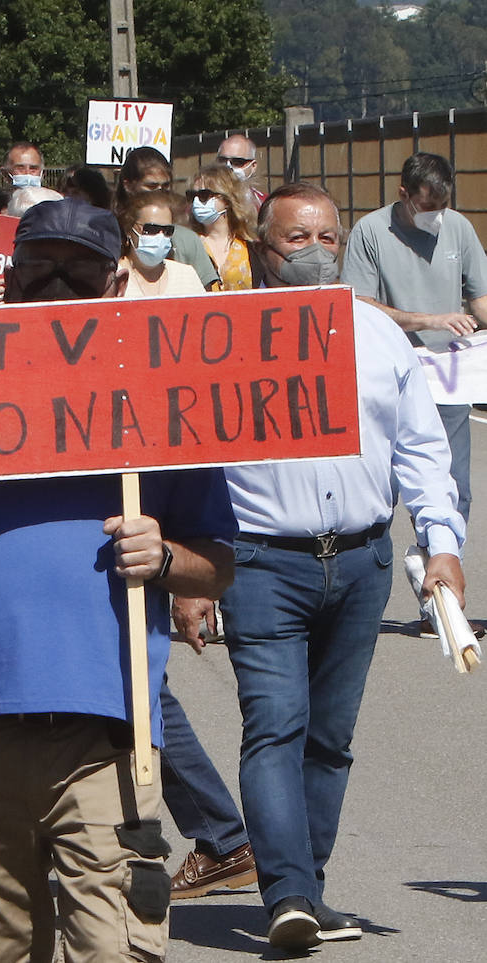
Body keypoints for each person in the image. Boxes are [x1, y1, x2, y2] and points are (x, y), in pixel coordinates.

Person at [0, 198, 237, 962]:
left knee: (116, 947)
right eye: (41, 266)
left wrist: (164, 558)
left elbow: (218, 563)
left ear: (114, 282)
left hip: (108, 737)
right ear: (10, 273)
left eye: (80, 268)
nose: (59, 283)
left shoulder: (161, 400)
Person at [174, 182, 467, 952]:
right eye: (294, 239)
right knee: (275, 726)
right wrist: (192, 572)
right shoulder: (222, 337)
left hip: (363, 559)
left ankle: (311, 882)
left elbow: (422, 450)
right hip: (263, 563)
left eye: (326, 237)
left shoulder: (378, 337)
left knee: (330, 738)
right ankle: (288, 894)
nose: (313, 251)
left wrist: (442, 543)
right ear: (261, 249)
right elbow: (189, 461)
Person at [115, 190, 257, 899]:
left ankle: (224, 836)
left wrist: (188, 572)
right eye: (146, 230)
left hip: (144, 516)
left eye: (165, 231)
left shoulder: (182, 285)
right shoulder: (100, 294)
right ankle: (221, 834)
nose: (157, 240)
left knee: (140, 683)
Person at [341, 152, 487, 633]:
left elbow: (479, 297)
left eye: (443, 206)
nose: (436, 216)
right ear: (403, 194)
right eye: (427, 206)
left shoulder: (459, 230)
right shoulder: (370, 233)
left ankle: (440, 594)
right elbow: (358, 304)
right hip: (391, 374)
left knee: (452, 485)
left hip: (449, 376)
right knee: (386, 485)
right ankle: (361, 591)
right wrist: (429, 319)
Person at [114, 147, 219, 290]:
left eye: (165, 186)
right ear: (128, 186)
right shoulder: (108, 237)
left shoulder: (187, 241)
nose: (159, 193)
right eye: (151, 186)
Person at [117, 191, 206, 298]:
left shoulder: (186, 275)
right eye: (151, 229)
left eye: (167, 230)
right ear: (128, 229)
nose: (160, 236)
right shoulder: (113, 277)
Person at [187, 164, 260, 290]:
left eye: (204, 195)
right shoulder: (187, 245)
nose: (196, 202)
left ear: (226, 199)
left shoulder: (253, 248)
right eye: (192, 196)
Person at [216, 133, 267, 207]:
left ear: (253, 166)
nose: (228, 167)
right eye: (222, 161)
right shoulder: (204, 202)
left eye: (237, 162)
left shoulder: (264, 204)